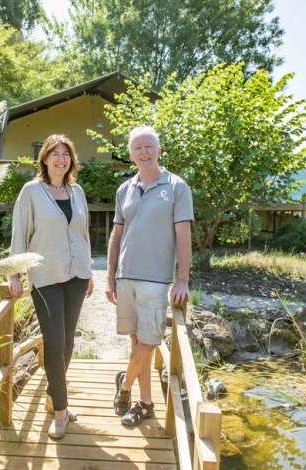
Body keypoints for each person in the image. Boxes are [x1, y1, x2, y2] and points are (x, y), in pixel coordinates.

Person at [106, 125, 193, 426]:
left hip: (156, 281)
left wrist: (182, 280)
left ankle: (124, 386)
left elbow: (183, 236)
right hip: (125, 277)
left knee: (148, 343)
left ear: (158, 150)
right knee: (136, 344)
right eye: (137, 147)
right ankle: (145, 404)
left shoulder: (176, 187)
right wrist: (109, 277)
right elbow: (115, 237)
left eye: (148, 146)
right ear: (131, 153)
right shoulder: (124, 190)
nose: (143, 152)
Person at [8, 134, 94, 439]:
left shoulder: (77, 191)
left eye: (66, 154)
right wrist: (14, 274)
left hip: (77, 275)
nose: (61, 159)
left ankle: (53, 397)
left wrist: (90, 271)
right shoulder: (31, 192)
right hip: (45, 278)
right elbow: (20, 233)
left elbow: (83, 233)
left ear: (71, 160)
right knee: (54, 343)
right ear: (44, 158)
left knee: (68, 342)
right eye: (54, 154)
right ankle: (61, 411)